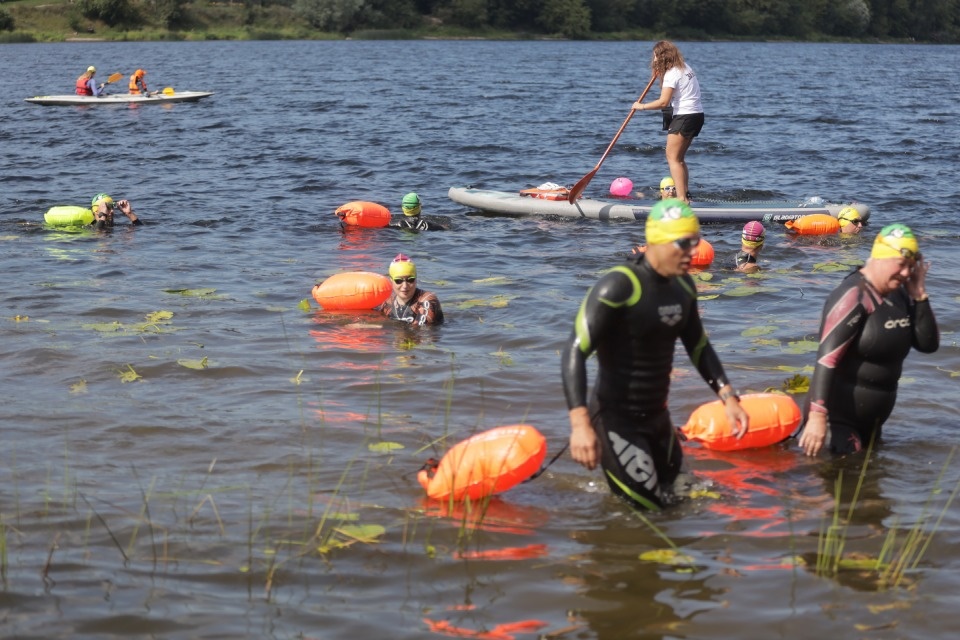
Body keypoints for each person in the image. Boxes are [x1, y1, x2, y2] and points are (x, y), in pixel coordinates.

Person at [561, 199, 749, 510]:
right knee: (647, 514)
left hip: (658, 418)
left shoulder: (684, 287)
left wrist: (728, 396)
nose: (694, 251)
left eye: (696, 241)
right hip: (615, 421)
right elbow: (574, 350)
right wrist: (580, 424)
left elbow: (699, 346)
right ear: (657, 242)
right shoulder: (618, 286)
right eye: (684, 243)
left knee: (686, 499)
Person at [798, 224, 938, 457]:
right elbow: (826, 359)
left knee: (869, 489)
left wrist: (920, 296)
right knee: (834, 489)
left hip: (872, 424)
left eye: (911, 267)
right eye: (901, 265)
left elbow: (928, 345)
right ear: (880, 258)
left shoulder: (902, 292)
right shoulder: (854, 295)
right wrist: (817, 416)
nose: (906, 273)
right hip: (838, 422)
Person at [633, 41, 704, 204]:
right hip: (696, 115)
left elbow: (663, 102)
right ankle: (686, 196)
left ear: (662, 56)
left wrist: (641, 106)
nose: (654, 58)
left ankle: (681, 199)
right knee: (679, 158)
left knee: (672, 157)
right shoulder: (685, 67)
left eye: (656, 55)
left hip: (685, 116)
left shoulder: (672, 73)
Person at [375, 253, 444, 326]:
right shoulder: (387, 304)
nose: (405, 286)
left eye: (410, 280)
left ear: (416, 279)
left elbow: (420, 331)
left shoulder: (427, 300)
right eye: (399, 281)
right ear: (391, 281)